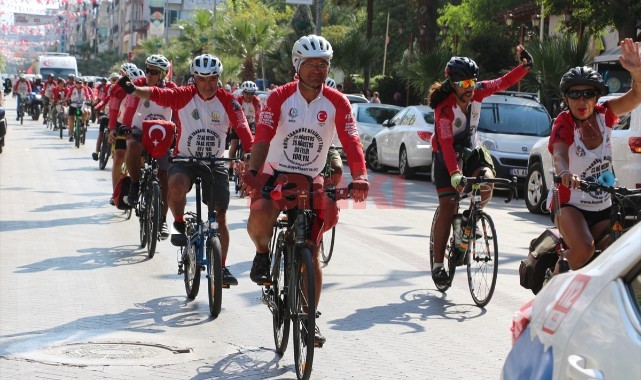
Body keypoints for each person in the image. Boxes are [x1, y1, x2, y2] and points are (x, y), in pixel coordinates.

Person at [240, 34, 369, 345]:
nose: (318, 70)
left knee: (311, 252)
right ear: (297, 66)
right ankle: (261, 253)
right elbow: (263, 137)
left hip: (312, 177)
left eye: (323, 64)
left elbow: (351, 141)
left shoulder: (338, 102)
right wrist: (254, 174)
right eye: (311, 64)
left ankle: (310, 320)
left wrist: (361, 176)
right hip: (275, 172)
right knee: (260, 219)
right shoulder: (279, 97)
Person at [118, 54, 254, 287]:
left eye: (212, 79)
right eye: (202, 79)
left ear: (218, 79)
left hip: (214, 162)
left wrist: (250, 152)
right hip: (185, 159)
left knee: (219, 215)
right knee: (176, 184)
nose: (207, 84)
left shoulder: (228, 100)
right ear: (194, 79)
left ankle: (221, 267)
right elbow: (157, 93)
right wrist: (133, 90)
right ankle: (179, 221)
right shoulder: (183, 95)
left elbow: (242, 127)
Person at [427, 46, 533, 286]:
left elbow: (503, 82)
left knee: (485, 181)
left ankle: (470, 218)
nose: (469, 88)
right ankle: (437, 265)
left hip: (470, 150)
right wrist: (454, 173)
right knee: (448, 206)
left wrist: (524, 67)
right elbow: (445, 143)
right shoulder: (443, 109)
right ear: (452, 83)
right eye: (463, 84)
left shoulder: (478, 93)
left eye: (472, 82)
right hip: (447, 155)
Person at [549, 38, 641, 271]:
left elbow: (636, 96)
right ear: (566, 99)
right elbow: (559, 154)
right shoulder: (564, 123)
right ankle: (552, 293)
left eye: (588, 94)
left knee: (618, 252)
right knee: (584, 249)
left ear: (596, 96)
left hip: (603, 203)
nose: (582, 101)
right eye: (575, 95)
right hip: (570, 203)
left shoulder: (605, 114)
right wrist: (565, 172)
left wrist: (636, 72)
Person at [121, 54, 176, 240]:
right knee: (133, 147)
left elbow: (180, 114)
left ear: (162, 74)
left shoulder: (172, 89)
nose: (148, 75)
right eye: (147, 70)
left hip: (163, 134)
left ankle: (161, 221)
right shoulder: (137, 84)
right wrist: (126, 127)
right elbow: (129, 109)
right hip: (140, 130)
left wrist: (179, 136)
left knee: (164, 177)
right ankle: (135, 185)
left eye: (153, 72)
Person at [229, 80, 261, 173]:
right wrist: (231, 126)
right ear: (243, 93)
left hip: (250, 124)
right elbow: (232, 114)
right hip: (237, 124)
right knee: (234, 145)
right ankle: (230, 167)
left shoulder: (256, 101)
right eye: (247, 93)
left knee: (247, 146)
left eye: (251, 94)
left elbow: (258, 116)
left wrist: (259, 129)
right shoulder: (238, 100)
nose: (249, 96)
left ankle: (245, 167)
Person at [65, 78, 93, 142]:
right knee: (71, 119)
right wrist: (66, 99)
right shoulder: (72, 88)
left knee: (86, 111)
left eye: (80, 83)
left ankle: (83, 123)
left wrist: (88, 100)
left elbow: (87, 96)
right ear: (75, 83)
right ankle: (71, 135)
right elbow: (68, 95)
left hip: (82, 105)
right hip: (73, 105)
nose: (78, 84)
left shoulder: (85, 88)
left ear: (82, 83)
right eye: (77, 83)